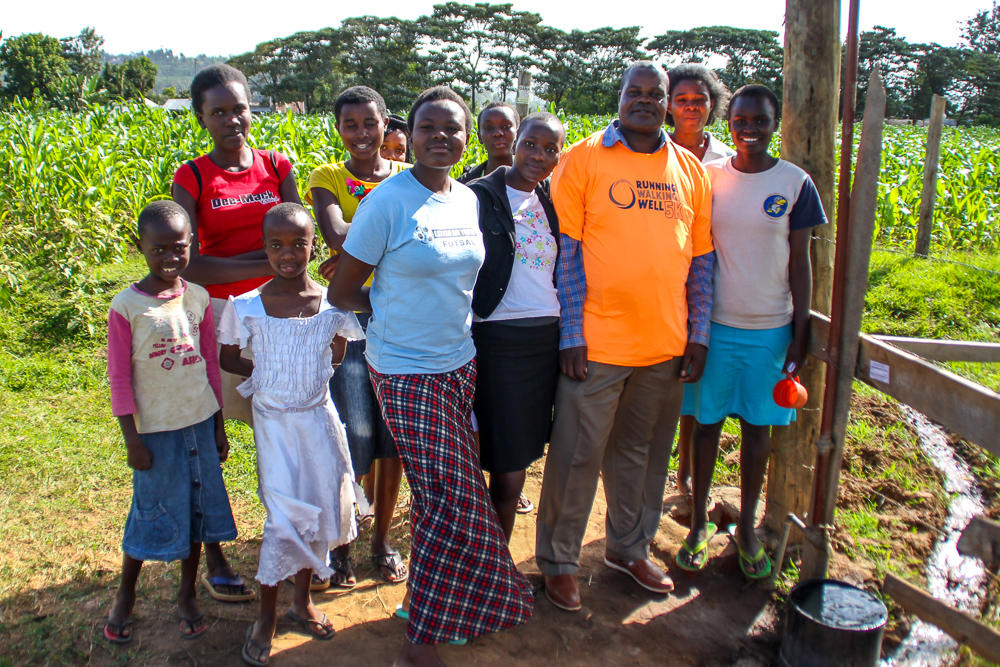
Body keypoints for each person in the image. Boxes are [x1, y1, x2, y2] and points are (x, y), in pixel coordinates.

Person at [329, 85, 533, 666]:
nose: (441, 137)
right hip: (404, 370)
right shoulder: (387, 203)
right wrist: (391, 319)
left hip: (459, 363)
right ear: (410, 134)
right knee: (451, 498)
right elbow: (343, 292)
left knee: (439, 495)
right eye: (428, 128)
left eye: (452, 129)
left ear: (467, 137)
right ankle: (420, 643)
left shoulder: (466, 198)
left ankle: (443, 604)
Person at [535, 61, 714, 612]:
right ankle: (560, 562)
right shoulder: (583, 158)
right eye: (633, 92)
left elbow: (701, 259)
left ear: (666, 104)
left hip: (665, 344)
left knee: (643, 454)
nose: (643, 100)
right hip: (596, 344)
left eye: (654, 94)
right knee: (576, 455)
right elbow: (566, 253)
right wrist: (571, 333)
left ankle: (629, 548)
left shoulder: (690, 169)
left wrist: (699, 333)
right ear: (619, 98)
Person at [676, 85, 826, 578]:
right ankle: (699, 522)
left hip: (770, 329)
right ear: (729, 123)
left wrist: (799, 333)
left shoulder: (795, 183)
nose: (749, 129)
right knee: (706, 425)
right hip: (715, 327)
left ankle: (746, 529)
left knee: (758, 430)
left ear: (774, 123)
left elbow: (800, 263)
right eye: (741, 120)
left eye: (760, 120)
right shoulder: (709, 177)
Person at [173, 63, 300, 603]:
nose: (232, 120)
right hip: (219, 321)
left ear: (252, 109)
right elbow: (189, 264)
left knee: (284, 431)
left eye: (239, 109)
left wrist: (267, 265)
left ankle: (291, 539)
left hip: (279, 317)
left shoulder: (277, 166)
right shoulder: (193, 177)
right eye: (218, 112)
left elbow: (299, 240)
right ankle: (216, 553)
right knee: (211, 443)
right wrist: (268, 261)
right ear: (202, 119)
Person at [218, 203, 363, 666]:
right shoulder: (246, 306)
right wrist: (268, 373)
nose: (287, 254)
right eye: (276, 245)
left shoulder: (332, 305)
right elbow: (227, 357)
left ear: (313, 247)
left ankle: (301, 602)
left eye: (298, 244)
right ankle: (266, 617)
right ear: (264, 248)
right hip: (275, 426)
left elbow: (337, 353)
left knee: (317, 509)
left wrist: (305, 370)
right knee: (284, 519)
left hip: (318, 423)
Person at [104, 201, 237, 644]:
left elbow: (210, 366)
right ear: (139, 246)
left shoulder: (197, 296)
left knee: (197, 510)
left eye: (178, 247)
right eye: (158, 248)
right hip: (155, 432)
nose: (169, 257)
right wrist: (132, 439)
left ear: (191, 244)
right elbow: (120, 378)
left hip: (199, 422)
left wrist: (218, 425)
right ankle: (126, 595)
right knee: (150, 508)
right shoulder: (127, 306)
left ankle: (186, 594)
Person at [306, 86, 410, 588]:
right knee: (353, 430)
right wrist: (389, 247)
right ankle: (342, 542)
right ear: (339, 129)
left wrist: (356, 256)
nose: (361, 133)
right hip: (349, 321)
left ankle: (382, 540)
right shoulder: (327, 176)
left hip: (400, 319)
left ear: (386, 124)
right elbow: (335, 234)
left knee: (393, 436)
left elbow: (358, 240)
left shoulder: (409, 176)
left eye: (370, 123)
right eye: (351, 124)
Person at [467, 112, 566, 542]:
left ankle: (498, 560)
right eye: (530, 144)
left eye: (550, 149)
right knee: (501, 465)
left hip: (544, 344)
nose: (538, 156)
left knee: (519, 459)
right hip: (496, 340)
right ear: (515, 142)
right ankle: (486, 560)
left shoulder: (553, 200)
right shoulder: (478, 195)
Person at [665, 63, 735, 500]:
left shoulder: (725, 160)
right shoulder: (653, 150)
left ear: (713, 105)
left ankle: (686, 472)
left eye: (699, 100)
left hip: (710, 277)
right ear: (669, 106)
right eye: (682, 100)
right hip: (665, 277)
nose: (691, 108)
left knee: (697, 382)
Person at [457, 102, 519, 184]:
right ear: (479, 137)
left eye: (505, 126)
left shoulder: (533, 180)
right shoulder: (465, 185)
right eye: (489, 128)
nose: (497, 133)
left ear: (517, 133)